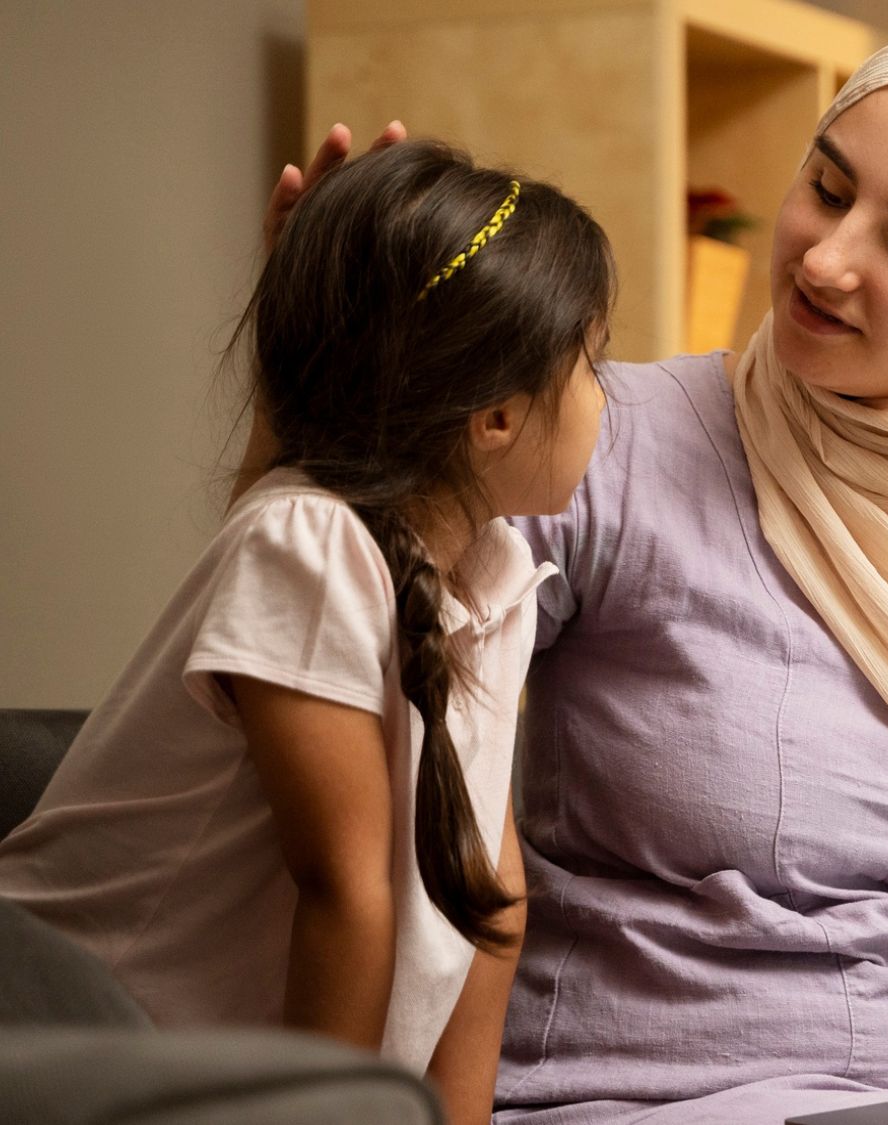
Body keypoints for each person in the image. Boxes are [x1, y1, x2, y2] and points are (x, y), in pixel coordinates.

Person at [269, 24, 888, 1124]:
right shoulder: (611, 440)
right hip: (653, 1095)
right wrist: (321, 370)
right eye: (825, 186)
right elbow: (337, 608)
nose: (822, 259)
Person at [0, 140, 615, 1125]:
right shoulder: (309, 541)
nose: (605, 398)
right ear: (494, 417)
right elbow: (346, 886)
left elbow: (488, 906)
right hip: (55, 1026)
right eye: (593, 360)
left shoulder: (493, 581)